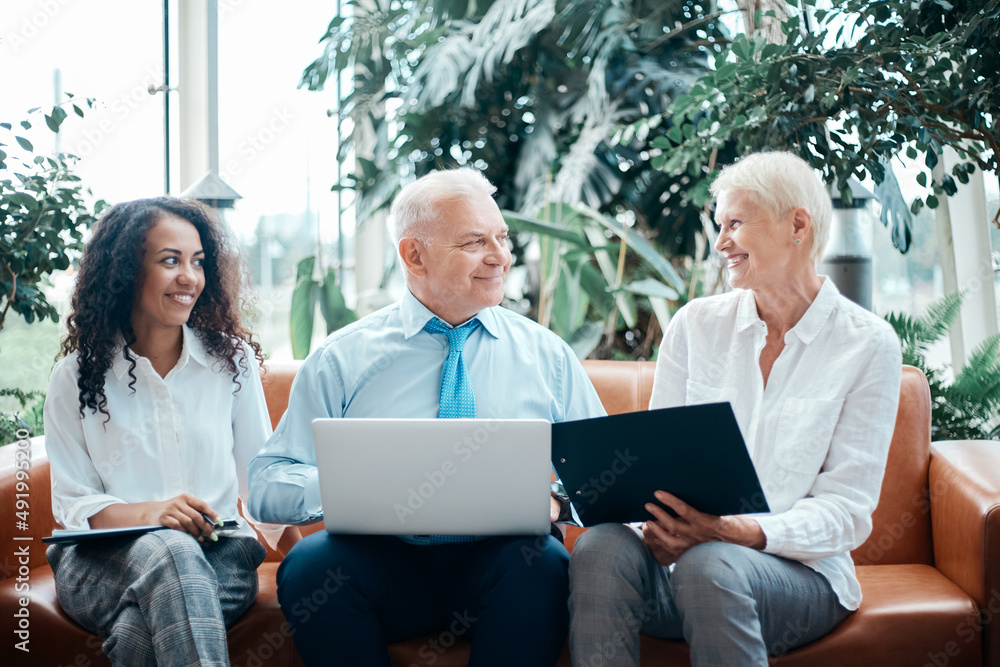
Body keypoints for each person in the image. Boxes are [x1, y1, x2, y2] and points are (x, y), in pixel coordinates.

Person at [248, 168, 607, 667]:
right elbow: (268, 485)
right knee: (311, 565)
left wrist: (555, 501)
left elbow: (608, 475)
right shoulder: (342, 358)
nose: (500, 256)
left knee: (541, 562)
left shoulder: (548, 355)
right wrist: (353, 488)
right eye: (475, 242)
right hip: (383, 564)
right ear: (414, 255)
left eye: (501, 238)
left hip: (503, 567)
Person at [567, 151, 903, 666]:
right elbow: (656, 470)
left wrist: (734, 532)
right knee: (600, 548)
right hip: (682, 568)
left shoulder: (867, 345)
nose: (721, 242)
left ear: (797, 224)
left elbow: (847, 512)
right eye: (718, 224)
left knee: (711, 564)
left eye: (736, 224)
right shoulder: (695, 326)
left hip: (797, 578)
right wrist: (653, 527)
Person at [44, 197, 278, 666]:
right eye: (170, 261)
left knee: (139, 634)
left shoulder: (231, 363)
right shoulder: (76, 376)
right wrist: (157, 513)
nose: (189, 278)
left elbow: (261, 475)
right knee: (169, 547)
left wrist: (301, 550)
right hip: (100, 560)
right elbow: (73, 504)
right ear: (127, 271)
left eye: (197, 262)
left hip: (219, 554)